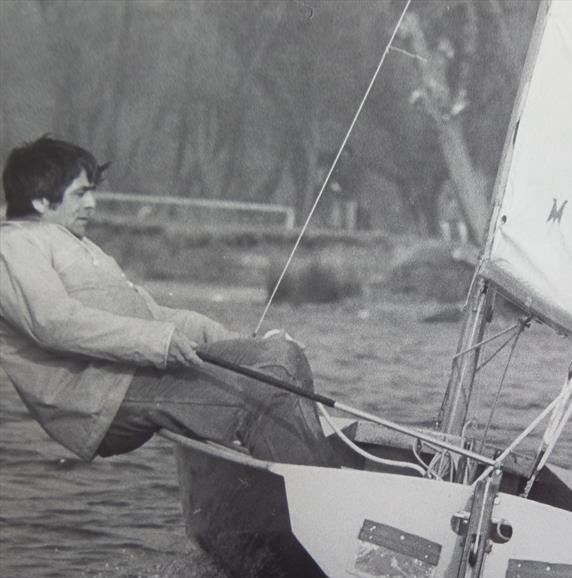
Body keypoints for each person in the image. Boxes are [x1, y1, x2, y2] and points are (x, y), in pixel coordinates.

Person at [0, 136, 335, 467]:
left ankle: (315, 479)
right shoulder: (13, 245)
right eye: (80, 194)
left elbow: (153, 315)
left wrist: (249, 344)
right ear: (41, 201)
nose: (92, 204)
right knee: (269, 380)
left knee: (283, 355)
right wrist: (159, 343)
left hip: (136, 376)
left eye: (92, 192)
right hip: (101, 398)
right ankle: (321, 497)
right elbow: (54, 323)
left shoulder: (80, 246)